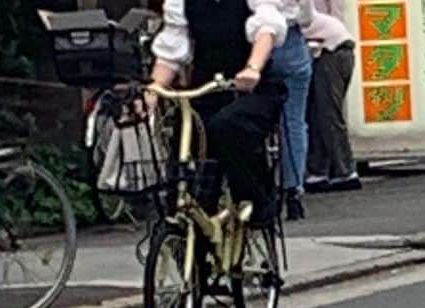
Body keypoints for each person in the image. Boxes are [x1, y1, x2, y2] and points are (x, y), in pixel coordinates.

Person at [150, 0, 288, 224]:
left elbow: (266, 29)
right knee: (186, 137)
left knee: (229, 126)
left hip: (251, 87)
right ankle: (187, 227)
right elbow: (170, 53)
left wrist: (253, 67)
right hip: (207, 87)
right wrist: (153, 90)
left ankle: (256, 200)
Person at [300, 0, 359, 192]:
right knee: (316, 113)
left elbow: (336, 16)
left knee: (328, 112)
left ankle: (345, 170)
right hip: (324, 48)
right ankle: (318, 171)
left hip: (332, 50)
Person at [266, 0, 314, 220]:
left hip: (258, 44)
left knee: (251, 116)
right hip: (293, 43)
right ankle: (294, 190)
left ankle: (262, 188)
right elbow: (307, 17)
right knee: (293, 122)